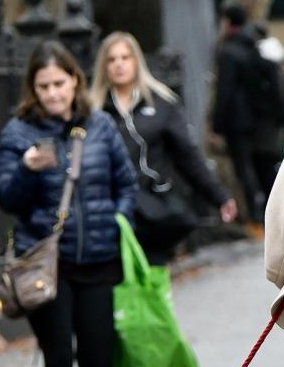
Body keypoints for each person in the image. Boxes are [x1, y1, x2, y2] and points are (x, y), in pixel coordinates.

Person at [0, 41, 137, 367]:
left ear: (75, 80)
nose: (53, 94)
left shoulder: (99, 126)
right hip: (46, 264)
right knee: (59, 358)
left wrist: (117, 222)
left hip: (97, 258)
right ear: (32, 90)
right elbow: (6, 199)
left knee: (97, 361)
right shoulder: (19, 132)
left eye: (59, 83)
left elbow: (126, 184)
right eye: (43, 87)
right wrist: (26, 169)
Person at [90, 32, 237, 265]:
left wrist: (219, 196)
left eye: (125, 57)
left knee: (153, 284)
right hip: (111, 213)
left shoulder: (161, 103)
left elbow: (188, 155)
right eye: (112, 59)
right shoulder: (93, 111)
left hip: (154, 211)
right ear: (103, 66)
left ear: (136, 61)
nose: (119, 64)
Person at [212, 4, 281, 223]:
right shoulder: (253, 47)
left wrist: (217, 125)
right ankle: (272, 214)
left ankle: (255, 217)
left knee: (243, 169)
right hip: (259, 119)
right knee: (262, 169)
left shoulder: (228, 51)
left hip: (236, 120)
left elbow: (225, 90)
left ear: (228, 23)